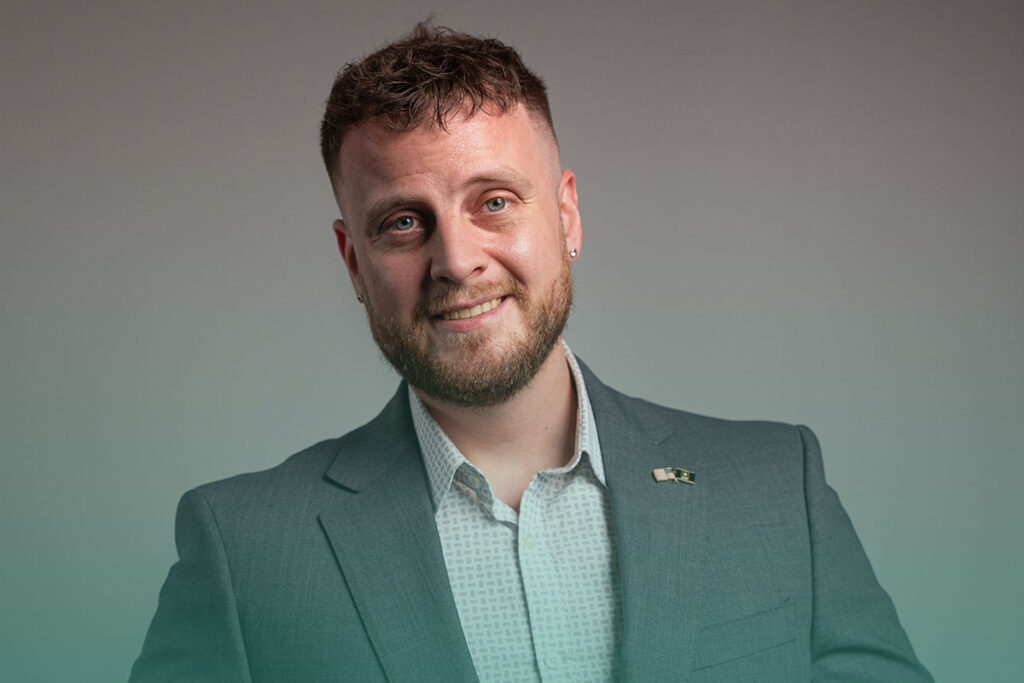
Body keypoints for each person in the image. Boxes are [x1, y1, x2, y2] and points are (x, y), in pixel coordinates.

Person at [131, 24, 932, 682]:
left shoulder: (776, 488)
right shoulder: (244, 549)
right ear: (352, 261)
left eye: (494, 202)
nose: (456, 261)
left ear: (567, 215)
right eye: (404, 222)